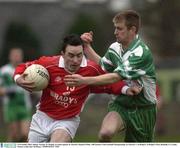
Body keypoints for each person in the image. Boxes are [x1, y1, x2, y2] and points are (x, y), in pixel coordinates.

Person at [13, 34, 141, 143]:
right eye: (71, 55)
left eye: (79, 55)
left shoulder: (91, 69)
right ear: (62, 54)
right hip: (42, 117)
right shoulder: (49, 64)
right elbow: (22, 66)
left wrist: (126, 89)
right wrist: (18, 79)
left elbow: (108, 83)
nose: (76, 60)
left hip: (67, 121)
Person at [64, 10, 157, 142]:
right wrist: (86, 46)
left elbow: (115, 77)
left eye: (119, 28)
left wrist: (84, 80)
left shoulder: (140, 53)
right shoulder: (115, 47)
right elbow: (103, 65)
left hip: (143, 110)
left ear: (132, 30)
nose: (115, 32)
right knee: (105, 133)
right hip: (121, 104)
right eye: (115, 28)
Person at [0, 47, 32, 142]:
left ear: (22, 56)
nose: (16, 57)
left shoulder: (27, 69)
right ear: (10, 56)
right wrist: (8, 91)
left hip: (24, 106)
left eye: (18, 55)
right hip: (10, 106)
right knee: (13, 136)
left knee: (25, 135)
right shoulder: (4, 71)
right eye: (14, 55)